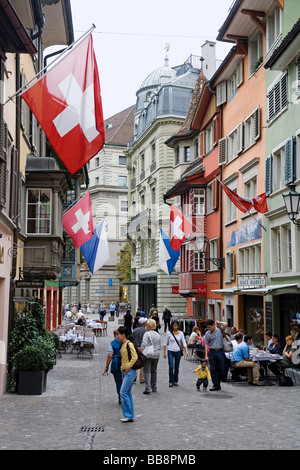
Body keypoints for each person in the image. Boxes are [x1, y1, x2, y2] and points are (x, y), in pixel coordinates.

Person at [117, 326, 138, 422]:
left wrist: (128, 366)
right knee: (127, 393)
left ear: (123, 334)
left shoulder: (129, 344)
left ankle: (128, 415)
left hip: (129, 371)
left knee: (123, 392)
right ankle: (130, 415)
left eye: (118, 334)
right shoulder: (123, 344)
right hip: (125, 371)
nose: (117, 336)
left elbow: (135, 357)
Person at [204, 319, 228, 391]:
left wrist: (219, 322)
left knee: (222, 367)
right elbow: (206, 344)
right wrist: (206, 355)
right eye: (208, 327)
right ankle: (216, 385)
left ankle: (218, 381)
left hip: (220, 351)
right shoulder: (207, 333)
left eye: (210, 327)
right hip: (212, 352)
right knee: (213, 369)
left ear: (213, 325)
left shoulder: (220, 330)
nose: (209, 329)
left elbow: (226, 324)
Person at [163, 320, 188, 387]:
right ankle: (171, 381)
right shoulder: (169, 333)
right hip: (170, 350)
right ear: (172, 326)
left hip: (178, 351)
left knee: (176, 367)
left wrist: (186, 350)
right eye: (174, 325)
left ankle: (175, 380)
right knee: (171, 366)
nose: (176, 327)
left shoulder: (181, 333)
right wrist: (164, 352)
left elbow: (184, 342)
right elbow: (165, 343)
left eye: (177, 325)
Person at [141, 319, 161, 394]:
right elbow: (159, 345)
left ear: (148, 326)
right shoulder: (157, 334)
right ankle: (154, 387)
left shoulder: (147, 334)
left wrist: (141, 350)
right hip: (156, 354)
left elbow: (144, 344)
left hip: (149, 354)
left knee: (146, 371)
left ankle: (148, 388)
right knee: (154, 370)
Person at [104, 330, 122, 404]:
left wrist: (106, 366)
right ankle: (125, 395)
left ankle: (120, 396)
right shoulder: (126, 342)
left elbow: (110, 355)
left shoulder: (113, 343)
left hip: (116, 363)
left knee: (118, 381)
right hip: (126, 363)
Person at [132, 318, 147, 384]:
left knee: (135, 361)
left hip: (136, 347)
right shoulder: (146, 331)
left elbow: (132, 338)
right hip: (143, 348)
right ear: (144, 323)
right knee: (142, 362)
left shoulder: (135, 330)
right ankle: (142, 378)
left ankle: (134, 377)